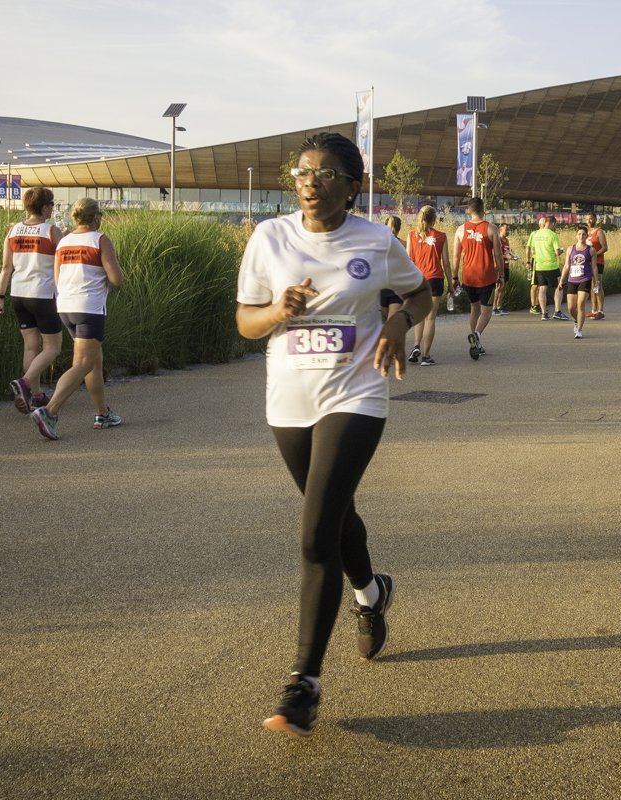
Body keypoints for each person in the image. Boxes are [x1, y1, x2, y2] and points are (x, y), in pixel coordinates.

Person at [236, 132, 432, 738]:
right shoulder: (270, 238)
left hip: (356, 395)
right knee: (336, 515)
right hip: (289, 402)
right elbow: (246, 322)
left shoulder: (375, 240)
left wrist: (398, 321)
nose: (310, 183)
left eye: (324, 174)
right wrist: (279, 312)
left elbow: (422, 292)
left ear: (351, 185)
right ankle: (371, 593)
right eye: (302, 172)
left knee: (316, 532)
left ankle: (304, 685)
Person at [30, 198, 123, 440]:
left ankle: (102, 413)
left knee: (93, 360)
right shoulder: (100, 240)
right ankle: (49, 412)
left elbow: (58, 277)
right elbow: (116, 279)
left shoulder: (64, 241)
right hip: (89, 308)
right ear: (96, 218)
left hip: (65, 307)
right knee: (83, 363)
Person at [0, 186, 63, 413]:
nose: (52, 208)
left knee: (31, 346)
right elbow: (66, 260)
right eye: (51, 204)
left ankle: (36, 395)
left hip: (18, 294)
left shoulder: (13, 231)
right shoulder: (51, 231)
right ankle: (24, 382)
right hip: (43, 294)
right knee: (53, 347)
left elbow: (6, 267)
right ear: (44, 207)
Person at [452, 197, 505, 359]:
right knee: (486, 312)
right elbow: (498, 255)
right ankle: (476, 334)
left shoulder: (460, 230)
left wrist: (454, 277)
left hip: (468, 277)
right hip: (486, 277)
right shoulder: (491, 229)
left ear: (468, 210)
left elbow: (455, 256)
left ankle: (476, 343)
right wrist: (501, 275)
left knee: (474, 309)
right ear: (483, 210)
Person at [405, 206, 452, 366]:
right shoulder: (441, 236)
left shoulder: (411, 235)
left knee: (419, 316)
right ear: (434, 219)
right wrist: (451, 283)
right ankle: (426, 356)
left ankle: (416, 346)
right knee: (430, 318)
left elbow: (408, 261)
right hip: (435, 279)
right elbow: (446, 263)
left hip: (417, 281)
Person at [558, 225, 595, 338]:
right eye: (579, 234)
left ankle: (579, 330)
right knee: (570, 308)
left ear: (587, 236)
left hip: (585, 279)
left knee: (580, 305)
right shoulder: (570, 249)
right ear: (576, 235)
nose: (581, 236)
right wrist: (561, 280)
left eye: (583, 234)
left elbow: (594, 267)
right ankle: (576, 321)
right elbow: (566, 266)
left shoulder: (591, 250)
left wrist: (597, 281)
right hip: (572, 280)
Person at [526, 215, 565, 319]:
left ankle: (544, 314)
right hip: (551, 265)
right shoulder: (553, 235)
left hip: (539, 266)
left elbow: (532, 249)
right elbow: (557, 252)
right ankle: (557, 311)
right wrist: (562, 250)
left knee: (542, 288)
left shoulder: (536, 234)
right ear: (552, 223)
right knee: (559, 287)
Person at [584, 212, 608, 319]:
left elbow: (605, 247)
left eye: (591, 219)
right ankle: (593, 310)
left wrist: (594, 255)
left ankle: (600, 311)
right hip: (589, 263)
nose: (589, 221)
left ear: (595, 219)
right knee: (592, 286)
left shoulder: (599, 232)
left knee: (597, 285)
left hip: (598, 262)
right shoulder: (588, 233)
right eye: (587, 219)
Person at [380, 215, 404, 322]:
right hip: (386, 287)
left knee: (390, 321)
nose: (393, 230)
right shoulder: (379, 245)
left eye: (395, 228)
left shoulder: (404, 245)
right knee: (388, 321)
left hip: (392, 288)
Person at [491, 222, 518, 317]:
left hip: (506, 266)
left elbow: (507, 252)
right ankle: (493, 308)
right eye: (506, 230)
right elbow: (495, 254)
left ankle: (499, 307)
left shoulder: (507, 240)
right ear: (500, 230)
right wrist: (506, 257)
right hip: (498, 267)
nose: (508, 231)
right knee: (498, 287)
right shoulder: (497, 240)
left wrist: (513, 256)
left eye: (509, 230)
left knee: (503, 287)